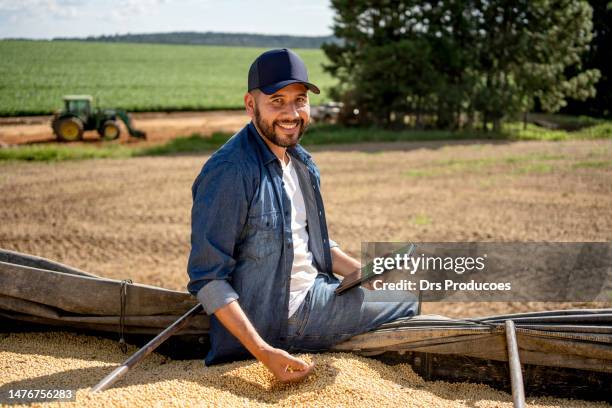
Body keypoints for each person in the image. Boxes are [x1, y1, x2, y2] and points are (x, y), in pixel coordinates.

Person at [187, 48, 417, 383]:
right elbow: (208, 277)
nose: (291, 113)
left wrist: (362, 272)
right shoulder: (230, 172)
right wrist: (263, 351)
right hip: (280, 320)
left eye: (300, 100)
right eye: (277, 100)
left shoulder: (302, 163)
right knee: (408, 299)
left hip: (319, 290)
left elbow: (313, 242)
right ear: (251, 105)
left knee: (401, 284)